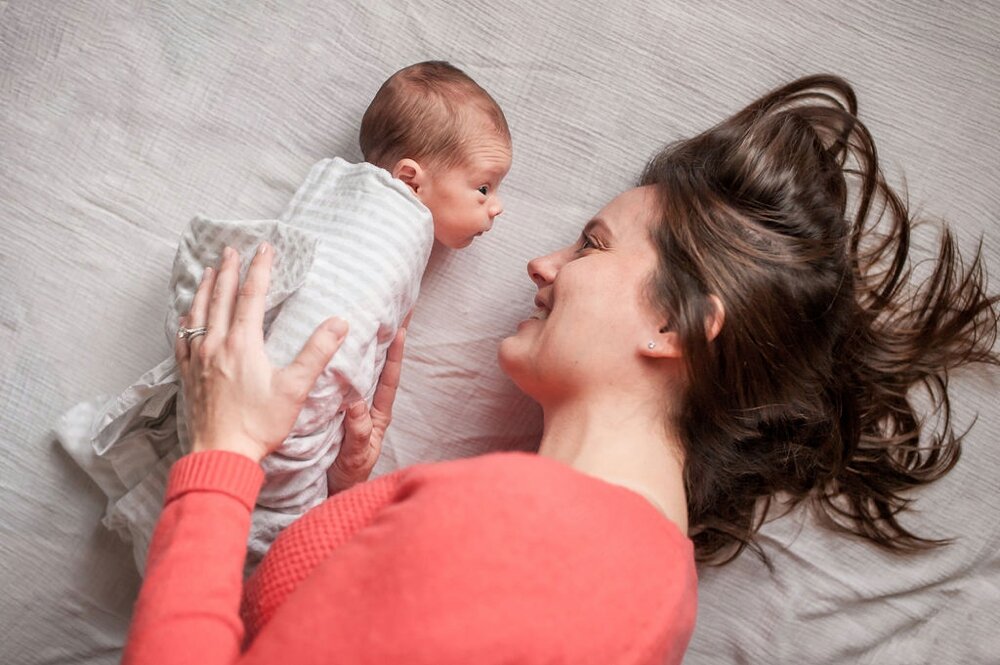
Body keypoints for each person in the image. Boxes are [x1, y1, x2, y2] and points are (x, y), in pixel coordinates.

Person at [122, 75, 998, 664]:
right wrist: (352, 501)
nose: (542, 264)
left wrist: (220, 455)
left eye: (592, 242)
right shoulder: (653, 578)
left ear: (673, 321)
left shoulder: (530, 531)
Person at [57, 60, 512, 567]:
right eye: (484, 187)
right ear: (410, 179)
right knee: (269, 534)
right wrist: (290, 447)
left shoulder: (343, 198)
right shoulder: (386, 231)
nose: (496, 208)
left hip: (261, 422)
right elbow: (320, 325)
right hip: (275, 419)